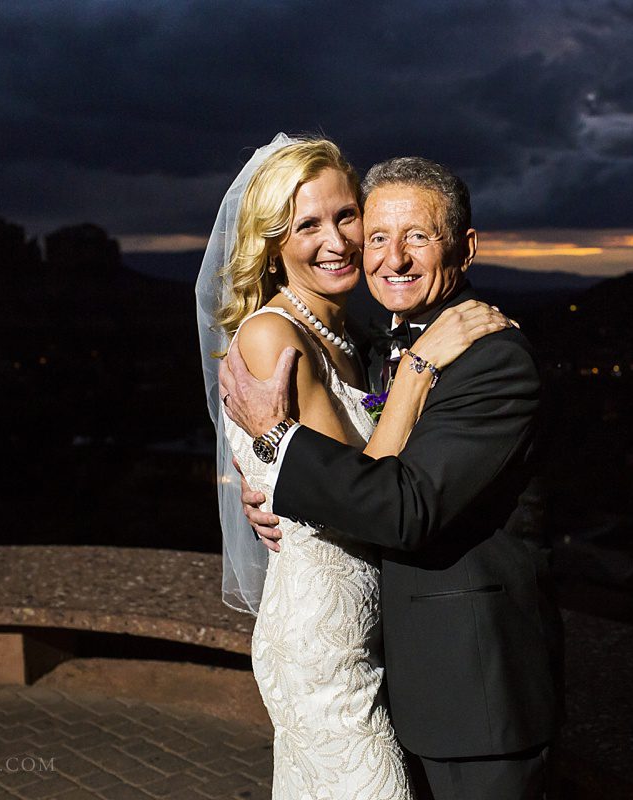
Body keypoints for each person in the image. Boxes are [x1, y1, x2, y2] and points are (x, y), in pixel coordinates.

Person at [220, 155, 563, 800]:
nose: (391, 257)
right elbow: (350, 464)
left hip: (476, 693)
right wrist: (268, 481)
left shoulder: (489, 359)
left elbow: (403, 509)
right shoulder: (381, 345)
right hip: (370, 657)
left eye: (419, 237)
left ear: (464, 249)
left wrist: (278, 452)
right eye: (378, 234)